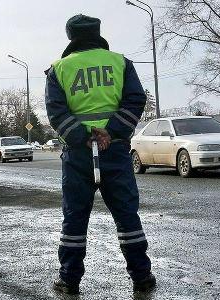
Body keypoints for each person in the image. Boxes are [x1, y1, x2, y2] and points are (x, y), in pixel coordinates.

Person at [45, 14, 155, 295]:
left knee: (75, 218)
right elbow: (135, 99)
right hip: (115, 150)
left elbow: (57, 113)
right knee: (127, 215)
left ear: (71, 37)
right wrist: (112, 131)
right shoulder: (120, 63)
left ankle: (69, 280)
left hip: (78, 155)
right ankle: (142, 276)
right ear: (97, 33)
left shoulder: (59, 69)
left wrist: (83, 137)